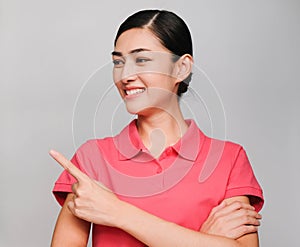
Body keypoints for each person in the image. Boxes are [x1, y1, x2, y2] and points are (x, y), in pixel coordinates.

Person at [50, 9, 264, 247]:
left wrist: (117, 212)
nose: (125, 75)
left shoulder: (228, 159)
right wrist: (205, 239)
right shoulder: (93, 159)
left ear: (181, 68)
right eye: (118, 62)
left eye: (141, 60)